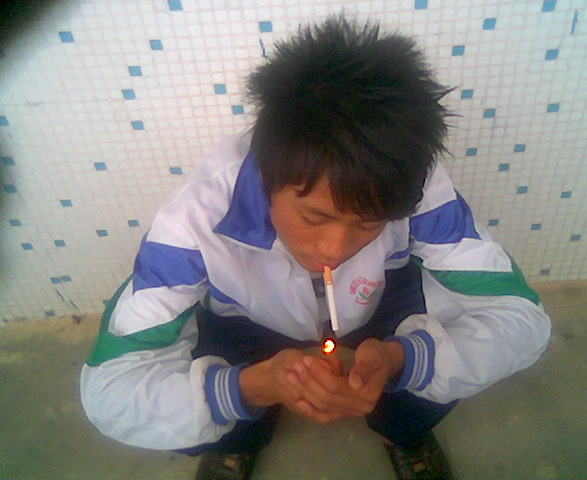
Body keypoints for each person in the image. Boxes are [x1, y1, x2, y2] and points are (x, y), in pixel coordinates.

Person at [80, 16, 551, 480]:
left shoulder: (416, 186)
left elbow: (521, 318)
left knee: (427, 371)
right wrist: (249, 387)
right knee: (216, 393)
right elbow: (111, 389)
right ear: (265, 174)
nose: (335, 247)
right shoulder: (192, 224)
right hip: (250, 322)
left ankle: (403, 430)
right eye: (314, 217)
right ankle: (239, 436)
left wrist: (401, 359)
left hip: (378, 308)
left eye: (369, 223)